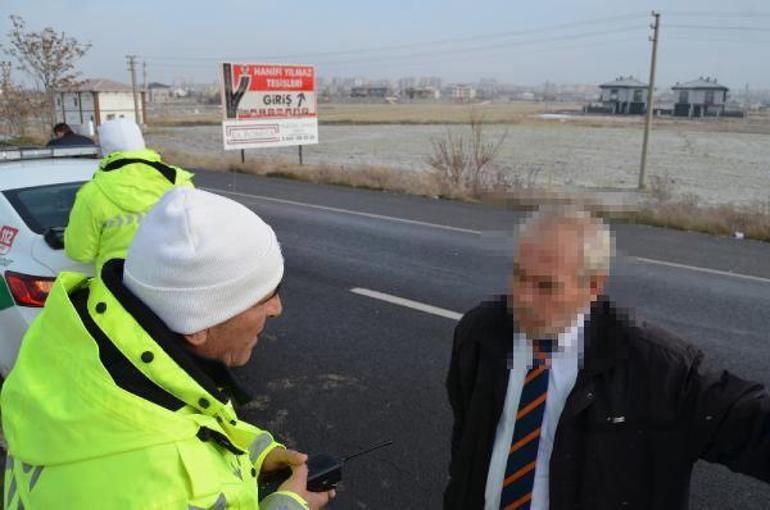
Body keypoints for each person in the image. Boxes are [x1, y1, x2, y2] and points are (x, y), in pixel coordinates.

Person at [1, 187, 335, 509]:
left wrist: (255, 452)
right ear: (199, 326)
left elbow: (188, 424)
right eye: (265, 296)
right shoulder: (160, 488)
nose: (277, 308)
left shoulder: (77, 347)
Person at [444, 206, 770, 510]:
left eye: (546, 286)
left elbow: (748, 422)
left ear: (593, 286)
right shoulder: (480, 331)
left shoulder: (658, 367)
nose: (523, 299)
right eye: (518, 275)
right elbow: (468, 437)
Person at [64, 118, 193, 273]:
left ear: (104, 149)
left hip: (117, 287)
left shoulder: (92, 193)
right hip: (172, 282)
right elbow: (197, 236)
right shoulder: (179, 182)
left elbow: (80, 253)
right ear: (141, 142)